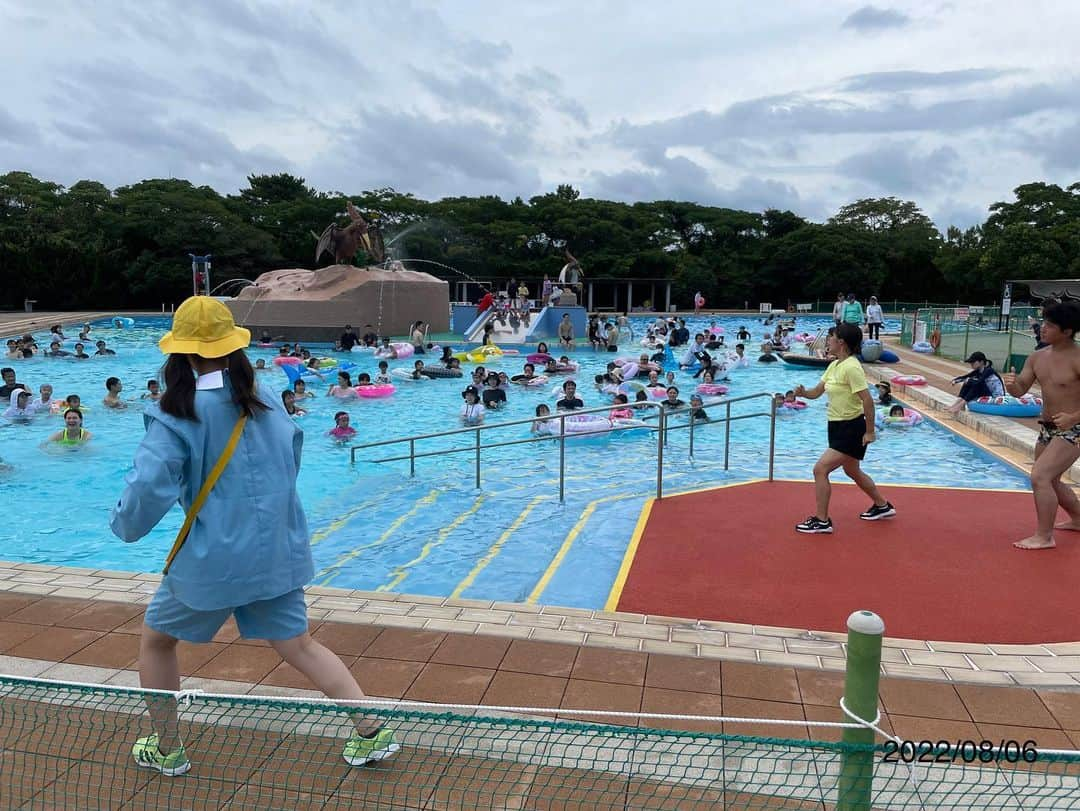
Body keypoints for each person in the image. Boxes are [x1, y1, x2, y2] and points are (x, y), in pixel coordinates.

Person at [109, 297, 395, 774]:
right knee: (300, 644)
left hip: (213, 559)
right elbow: (291, 464)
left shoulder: (176, 414)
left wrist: (123, 525)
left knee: (158, 641)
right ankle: (371, 730)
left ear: (179, 354)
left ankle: (167, 747)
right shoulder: (266, 405)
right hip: (277, 553)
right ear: (234, 348)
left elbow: (146, 490)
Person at [793, 322, 894, 534]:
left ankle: (822, 521)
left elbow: (867, 400)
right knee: (852, 470)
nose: (827, 340)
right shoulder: (834, 366)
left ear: (841, 342)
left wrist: (869, 431)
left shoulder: (851, 367)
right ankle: (882, 505)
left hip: (851, 427)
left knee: (820, 469)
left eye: (831, 337)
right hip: (836, 426)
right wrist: (804, 393)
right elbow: (817, 392)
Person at [1002, 300, 1080, 550]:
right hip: (1048, 426)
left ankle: (1044, 536)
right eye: (1043, 323)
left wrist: (1074, 417)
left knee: (1041, 476)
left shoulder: (1078, 358)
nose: (1042, 329)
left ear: (1067, 331)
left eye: (1049, 325)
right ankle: (1079, 518)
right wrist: (1012, 385)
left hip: (1075, 427)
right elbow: (1021, 389)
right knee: (1052, 479)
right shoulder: (1037, 357)